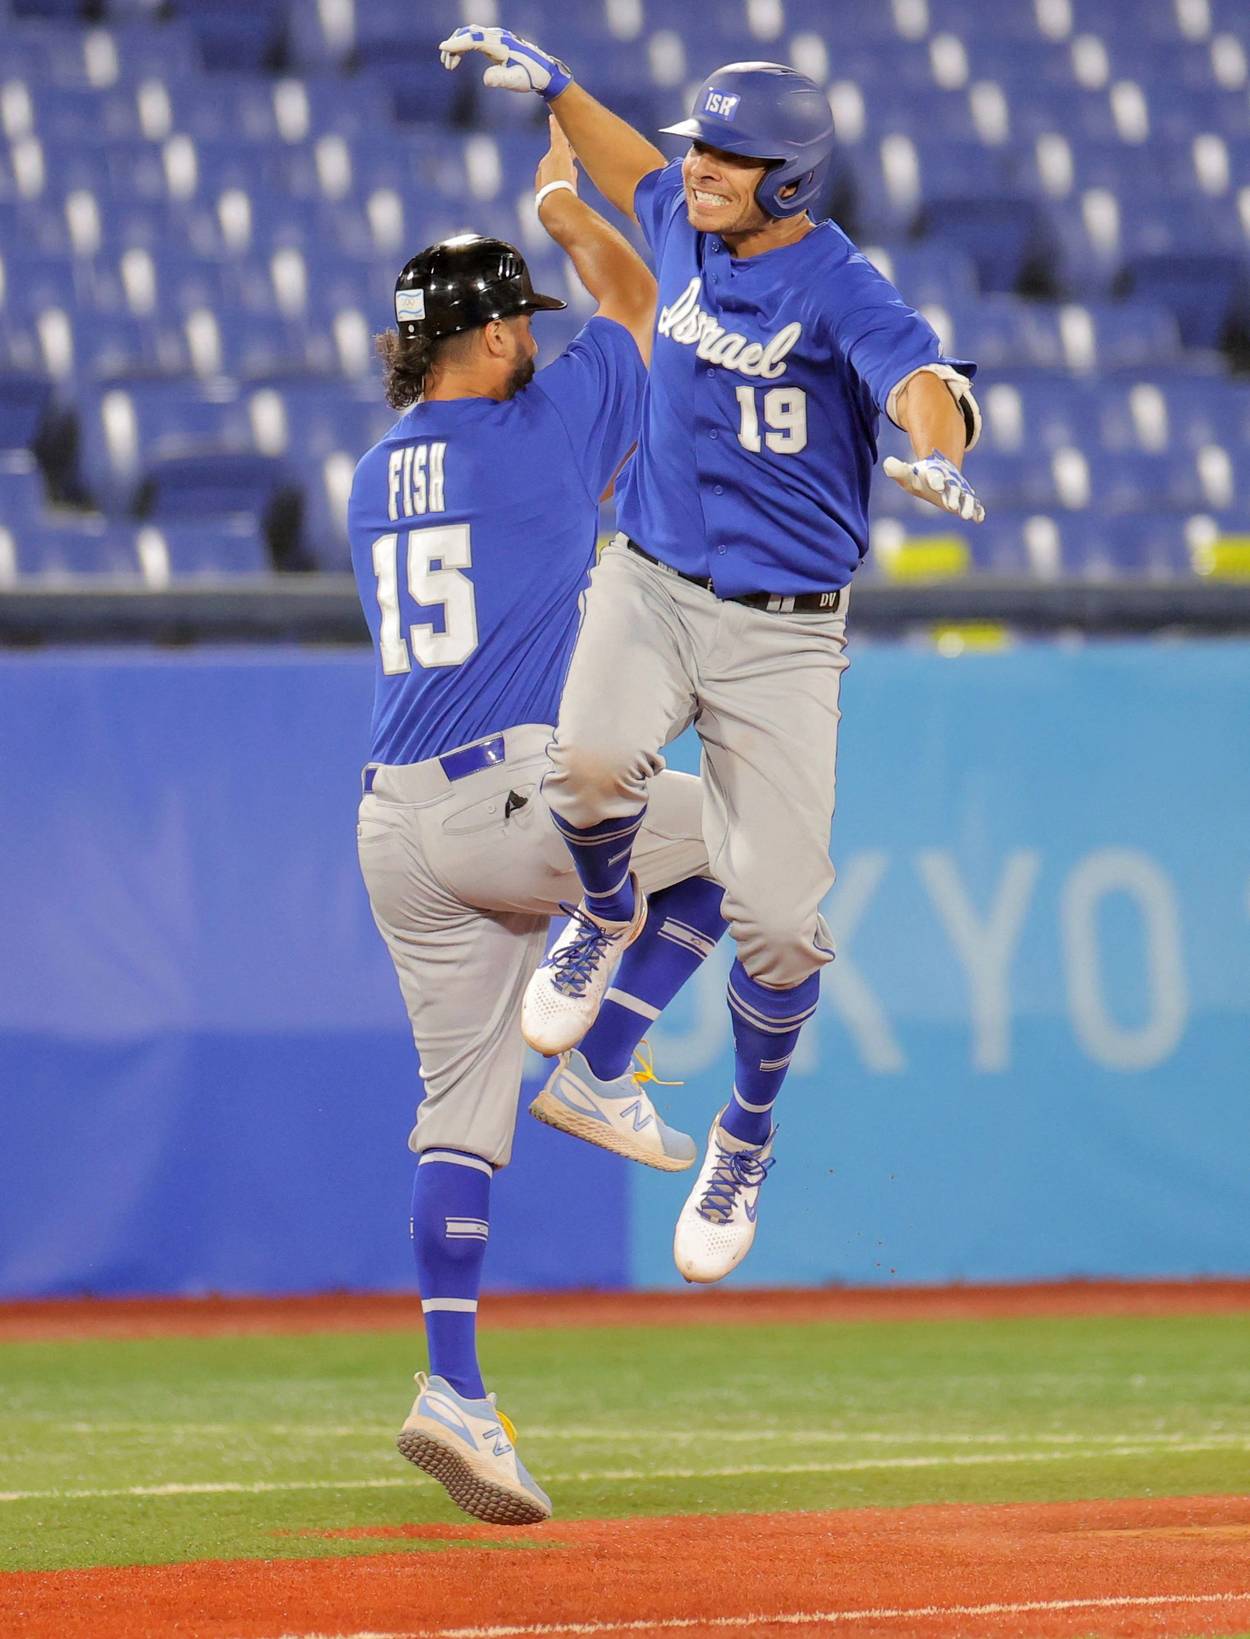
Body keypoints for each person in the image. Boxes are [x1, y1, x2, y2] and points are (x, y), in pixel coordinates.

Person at [439, 34, 986, 1285]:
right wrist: (563, 90)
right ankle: (603, 908)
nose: (701, 172)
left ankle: (741, 1133)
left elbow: (921, 378)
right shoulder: (683, 225)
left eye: (730, 159)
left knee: (782, 931)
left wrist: (940, 444)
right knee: (581, 768)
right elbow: (634, 165)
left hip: (784, 633)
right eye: (704, 148)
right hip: (649, 574)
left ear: (788, 181)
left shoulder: (840, 285)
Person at [350, 122, 726, 1527]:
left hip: (394, 819)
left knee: (458, 1114)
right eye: (515, 319)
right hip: (514, 794)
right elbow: (637, 304)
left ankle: (454, 1385)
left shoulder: (371, 468)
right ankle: (604, 1054)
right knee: (752, 840)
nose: (531, 335)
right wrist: (567, 206)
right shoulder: (535, 429)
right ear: (489, 335)